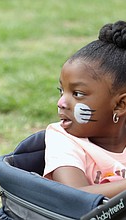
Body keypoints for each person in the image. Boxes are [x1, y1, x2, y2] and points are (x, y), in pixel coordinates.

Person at [43, 20, 126, 198]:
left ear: (120, 105)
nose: (61, 102)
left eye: (78, 94)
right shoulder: (62, 138)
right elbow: (75, 196)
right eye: (61, 91)